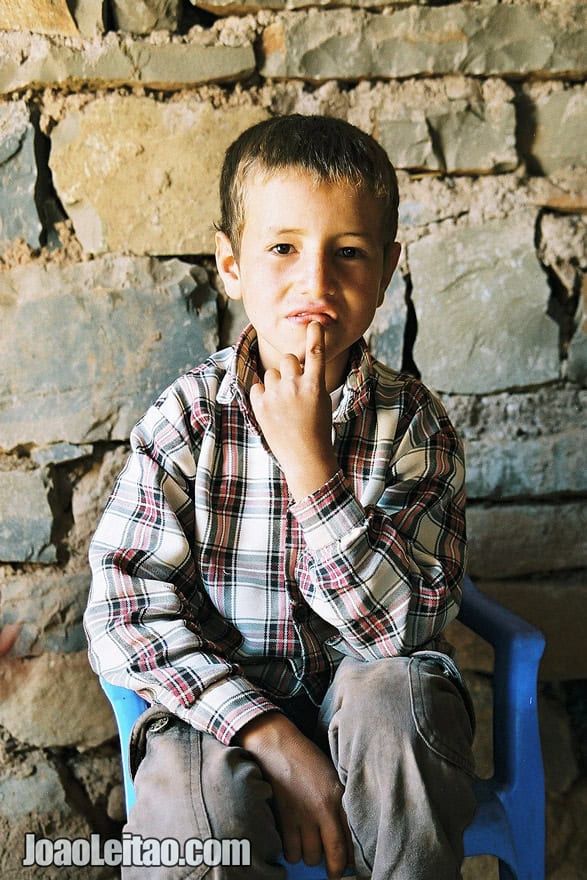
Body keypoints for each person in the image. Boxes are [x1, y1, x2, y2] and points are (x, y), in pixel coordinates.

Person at [84, 114, 476, 880]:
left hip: (366, 709)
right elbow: (123, 608)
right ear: (231, 266)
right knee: (195, 824)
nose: (317, 283)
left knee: (396, 698)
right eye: (283, 249)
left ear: (388, 268)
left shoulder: (414, 427)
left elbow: (404, 630)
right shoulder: (189, 417)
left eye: (349, 253)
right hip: (218, 709)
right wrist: (266, 732)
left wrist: (312, 472)